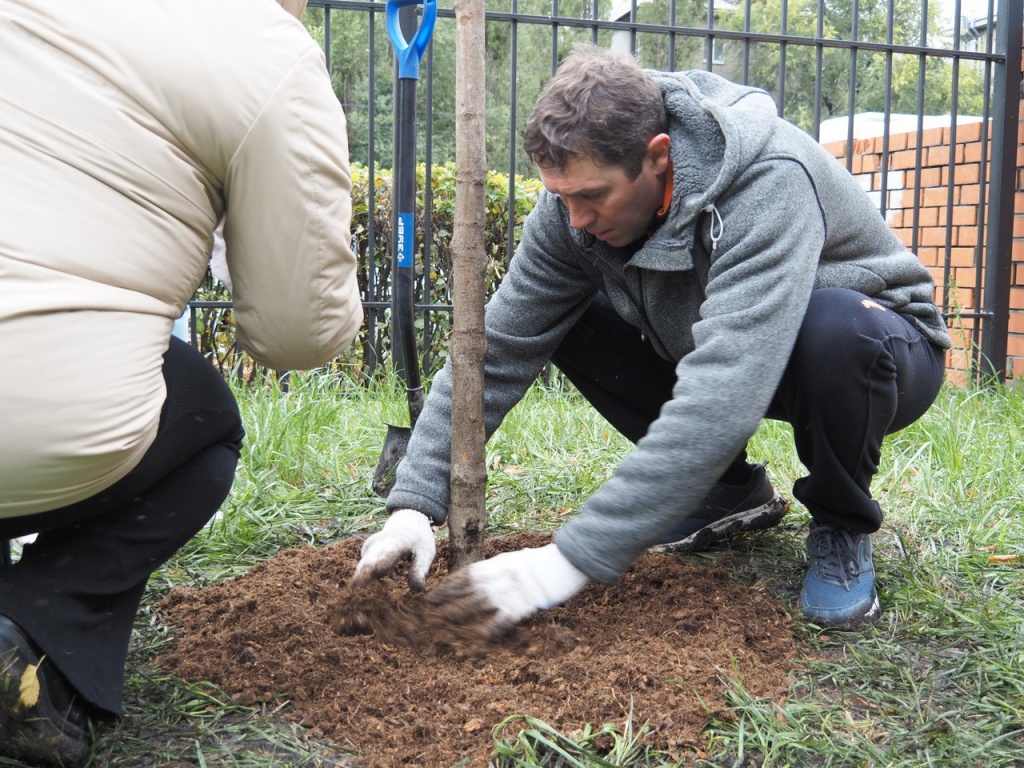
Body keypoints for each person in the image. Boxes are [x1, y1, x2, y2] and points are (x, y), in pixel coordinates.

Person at [355, 44, 951, 640]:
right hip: (714, 347)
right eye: (562, 197)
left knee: (837, 331)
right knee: (571, 314)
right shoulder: (570, 213)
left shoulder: (767, 178)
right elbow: (500, 346)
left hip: (876, 350)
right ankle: (727, 490)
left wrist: (567, 560)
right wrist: (415, 504)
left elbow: (725, 390)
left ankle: (840, 522)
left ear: (658, 157)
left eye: (591, 196)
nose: (576, 219)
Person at [0, 0, 361, 764]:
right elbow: (301, 332)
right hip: (32, 427)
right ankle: (32, 631)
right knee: (202, 423)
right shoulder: (264, 49)